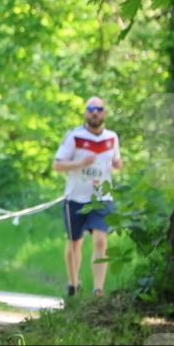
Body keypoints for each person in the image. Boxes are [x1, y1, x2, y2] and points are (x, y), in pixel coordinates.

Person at [53, 96, 123, 298]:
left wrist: (118, 165)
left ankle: (98, 290)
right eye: (91, 108)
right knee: (75, 242)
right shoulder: (74, 137)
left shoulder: (112, 137)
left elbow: (117, 161)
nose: (95, 112)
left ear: (104, 113)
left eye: (99, 109)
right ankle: (73, 285)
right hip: (75, 198)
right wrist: (80, 163)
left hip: (102, 198)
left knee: (101, 240)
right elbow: (57, 165)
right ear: (85, 112)